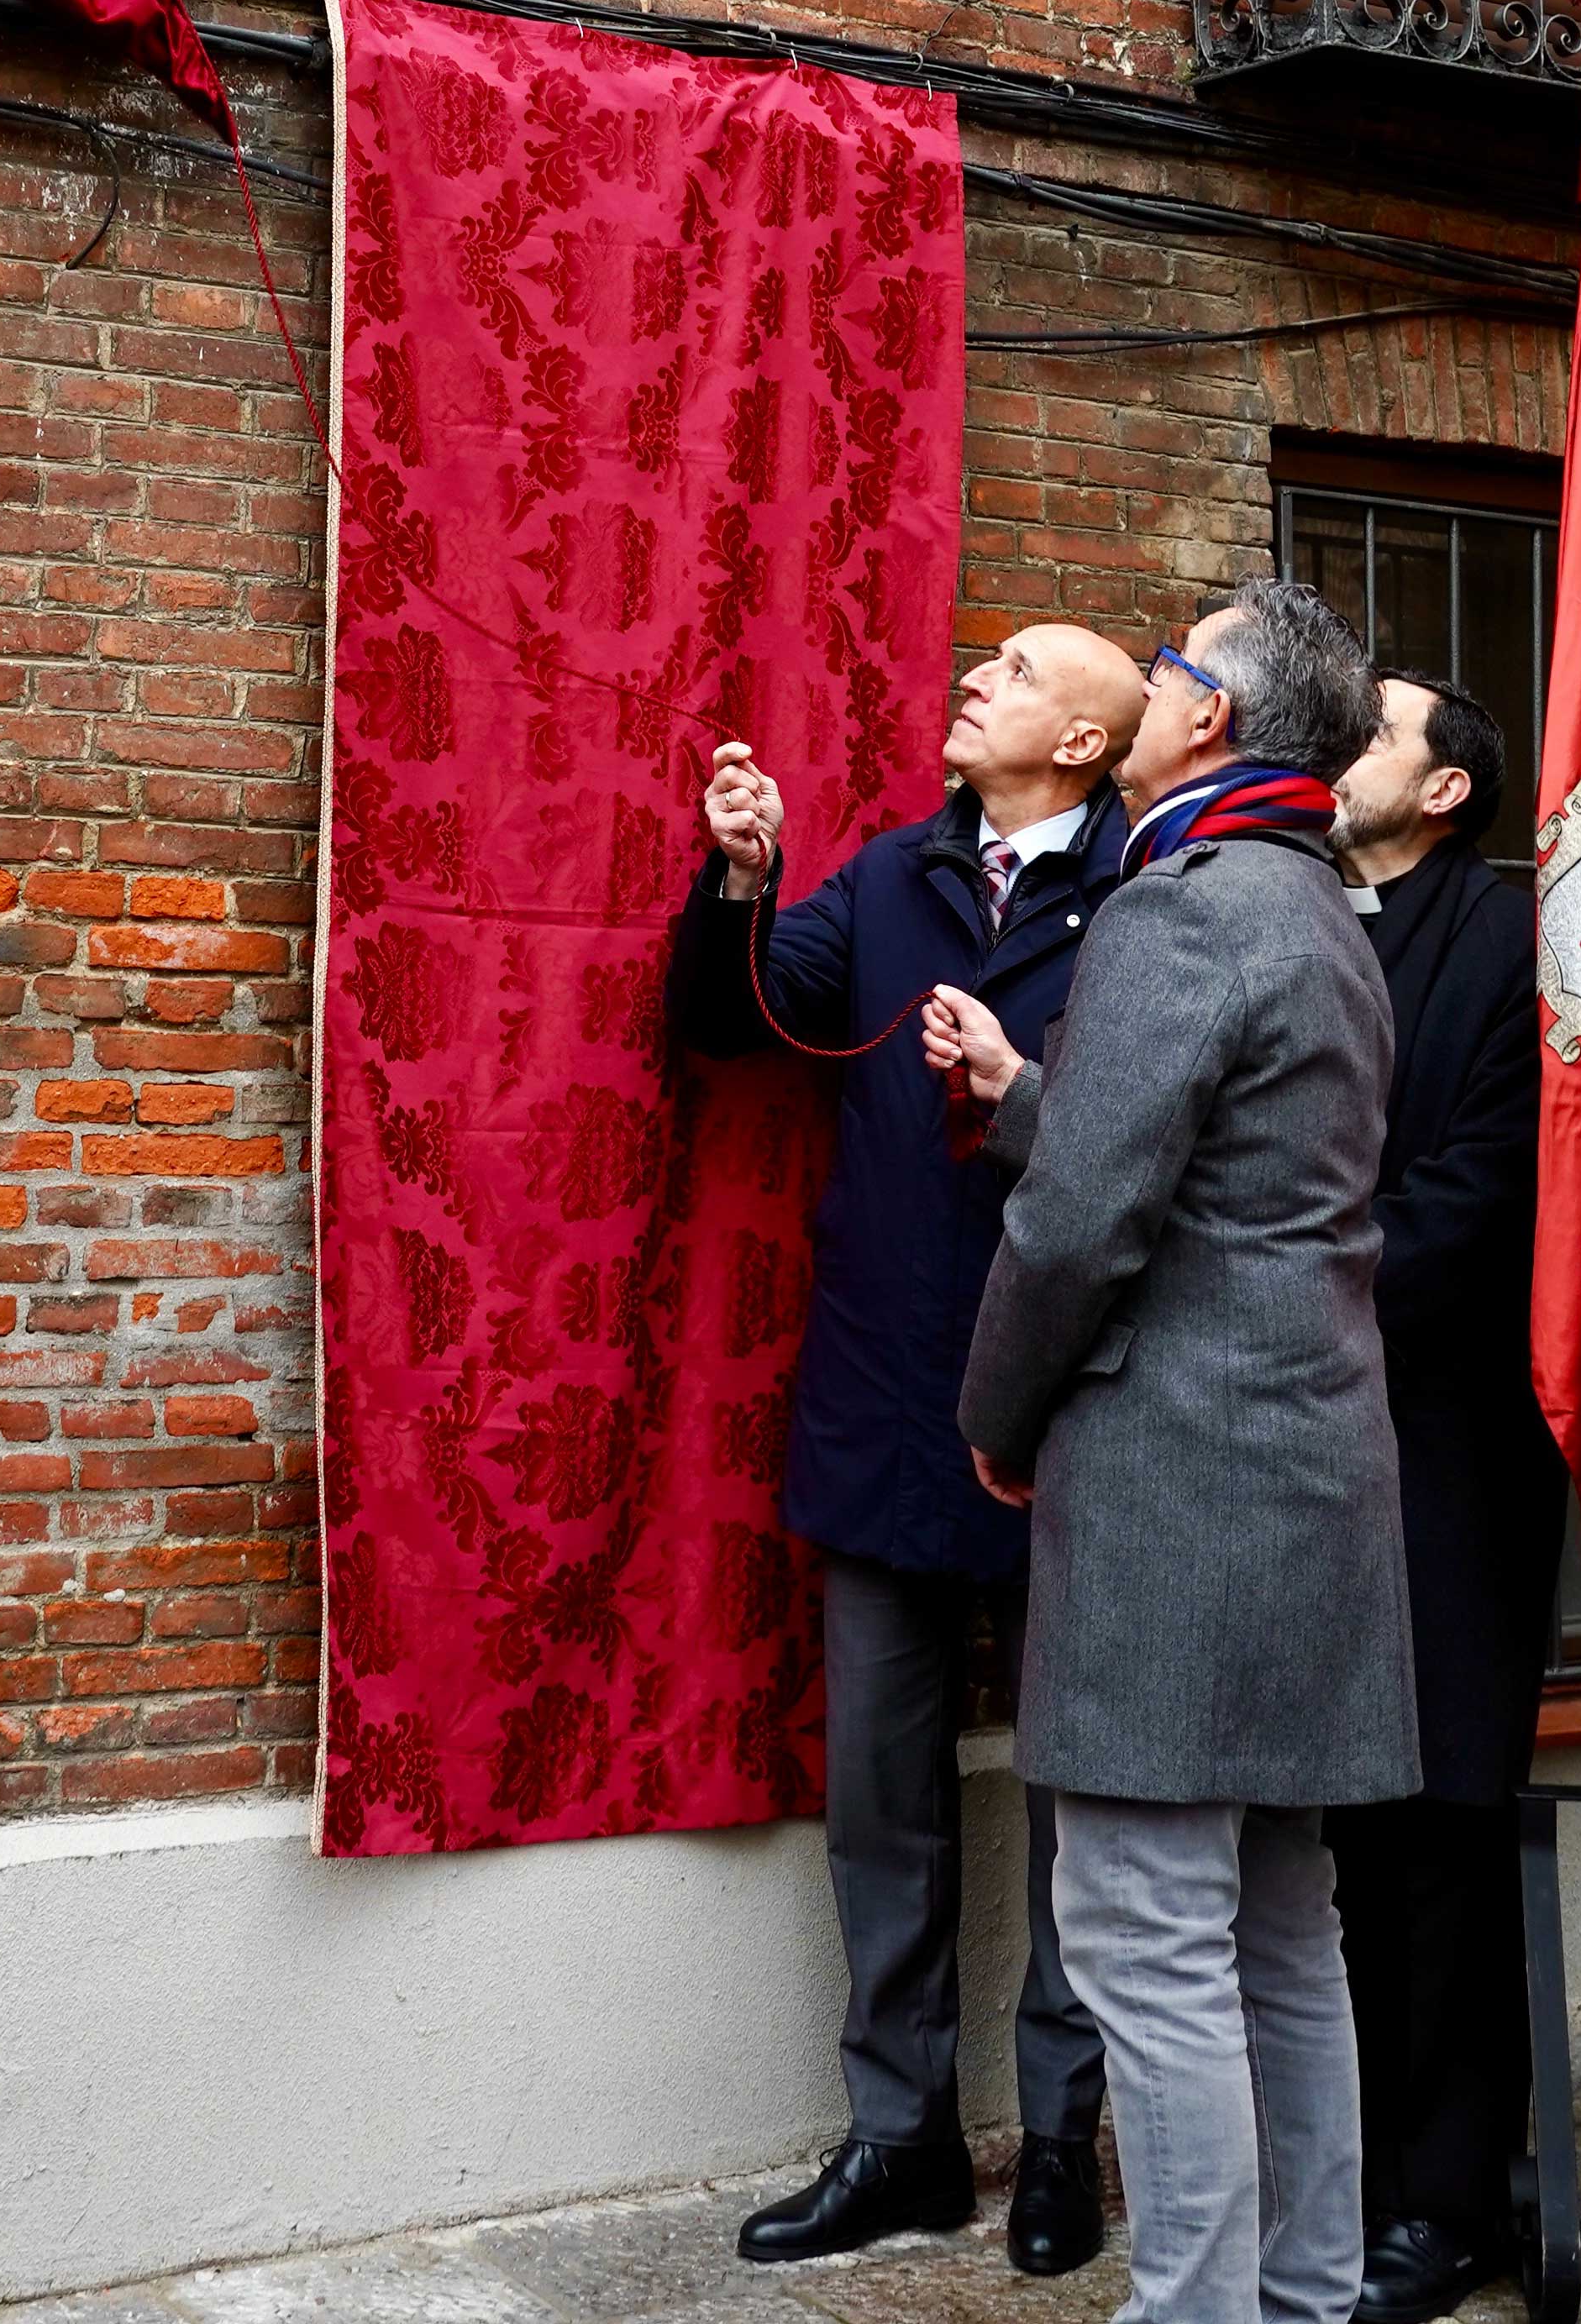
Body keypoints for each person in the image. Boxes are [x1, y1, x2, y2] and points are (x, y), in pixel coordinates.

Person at [939, 574, 1421, 2324]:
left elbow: (1078, 1228)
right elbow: (1226, 1162)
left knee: (1146, 1937)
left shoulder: (1185, 909)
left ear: (1205, 716)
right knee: (1287, 1935)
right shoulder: (1317, 904)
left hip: (1178, 1482)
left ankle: (1200, 2309)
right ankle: (1298, 2299)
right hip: (1310, 1472)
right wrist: (1030, 1089)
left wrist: (997, 1418)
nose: (1143, 684)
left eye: (1161, 668)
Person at [673, 622, 1150, 2274]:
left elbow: (1164, 1151)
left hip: (1078, 1402)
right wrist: (745, 876)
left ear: (1086, 744)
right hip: (887, 1400)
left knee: (1088, 1795)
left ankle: (1065, 2135)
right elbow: (734, 1018)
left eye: (1016, 670)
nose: (975, 676)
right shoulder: (890, 872)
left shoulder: (1150, 898)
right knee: (883, 1795)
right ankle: (906, 2136)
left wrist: (1023, 1084)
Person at [1312, 670, 1557, 2324]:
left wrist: (1290, 1296)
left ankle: (1454, 2196)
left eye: (1375, 733)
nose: (1342, 754)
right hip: (1303, 1450)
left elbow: (1484, 1185)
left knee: (1443, 1833)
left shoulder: (1517, 941)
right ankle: (1361, 2171)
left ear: (1450, 786)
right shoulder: (1305, 915)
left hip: (1453, 1442)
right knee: (1335, 1830)